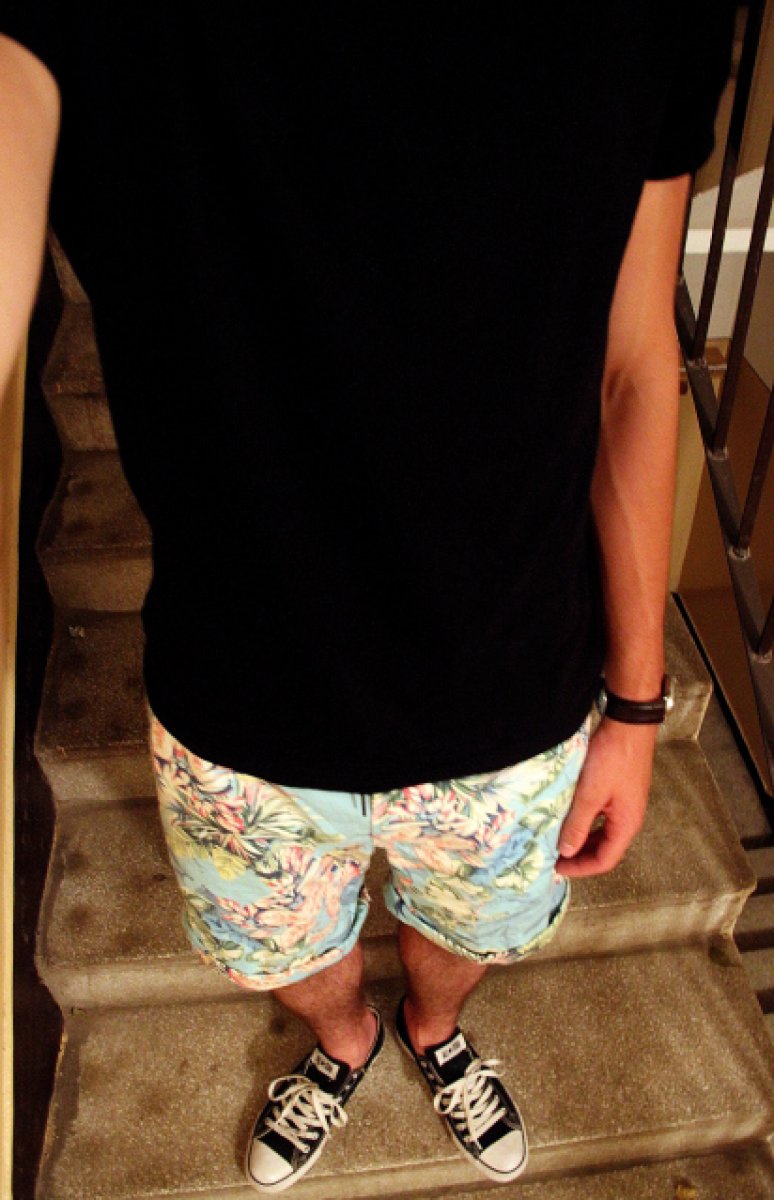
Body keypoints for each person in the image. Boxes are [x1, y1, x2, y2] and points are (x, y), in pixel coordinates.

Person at [1, 3, 734, 1192]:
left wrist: (640, 706)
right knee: (278, 952)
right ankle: (343, 1042)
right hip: (237, 707)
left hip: (516, 697)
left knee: (473, 935)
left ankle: (432, 1031)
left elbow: (634, 366)